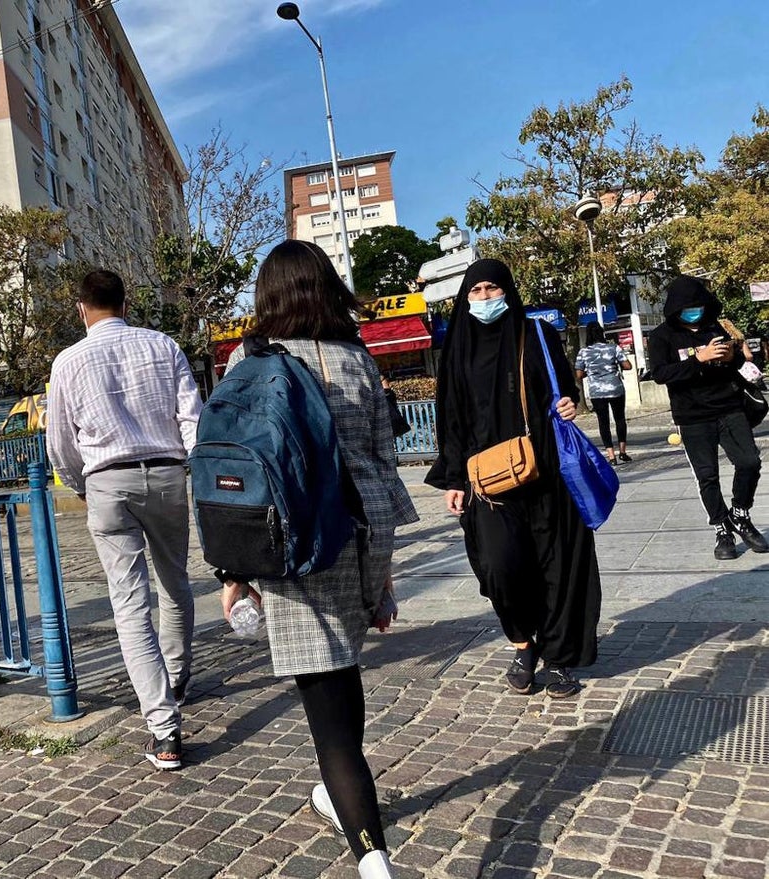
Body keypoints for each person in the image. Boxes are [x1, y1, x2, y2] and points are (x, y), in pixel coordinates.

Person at [220, 240, 418, 879]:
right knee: (340, 686)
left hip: (292, 546)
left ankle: (374, 859)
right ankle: (338, 800)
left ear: (268, 296)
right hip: (359, 535)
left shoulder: (245, 365)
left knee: (331, 720)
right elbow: (385, 461)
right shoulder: (358, 358)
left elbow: (235, 475)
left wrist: (234, 573)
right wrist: (380, 573)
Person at [426, 259, 602, 702]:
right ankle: (524, 644)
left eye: (493, 288)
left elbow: (565, 390)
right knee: (501, 566)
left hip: (546, 472)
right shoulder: (457, 348)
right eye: (477, 291)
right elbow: (449, 418)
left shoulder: (536, 334)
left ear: (508, 291)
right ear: (465, 298)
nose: (485, 298)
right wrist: (453, 478)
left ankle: (559, 658)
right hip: (486, 481)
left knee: (558, 566)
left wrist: (568, 404)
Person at [47, 269, 202, 772]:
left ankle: (163, 728)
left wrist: (81, 484)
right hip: (165, 473)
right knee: (174, 581)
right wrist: (189, 467)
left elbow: (61, 445)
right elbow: (191, 418)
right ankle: (176, 676)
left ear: (81, 308)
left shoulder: (68, 361)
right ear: (125, 302)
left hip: (107, 480)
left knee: (129, 603)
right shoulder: (163, 346)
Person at [648, 275, 767, 560]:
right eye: (689, 306)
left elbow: (737, 364)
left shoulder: (714, 327)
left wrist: (731, 359)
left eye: (699, 305)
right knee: (707, 475)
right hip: (692, 416)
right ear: (676, 307)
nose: (695, 311)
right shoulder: (662, 336)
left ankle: (740, 513)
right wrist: (697, 360)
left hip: (729, 407)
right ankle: (721, 529)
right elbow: (660, 374)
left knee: (749, 462)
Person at [575, 323, 633, 465]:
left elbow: (579, 374)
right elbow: (628, 366)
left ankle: (611, 456)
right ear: (602, 333)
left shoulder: (583, 352)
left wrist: (593, 371)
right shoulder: (613, 348)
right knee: (620, 419)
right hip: (615, 388)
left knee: (603, 422)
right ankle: (623, 452)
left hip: (597, 392)